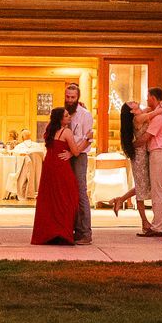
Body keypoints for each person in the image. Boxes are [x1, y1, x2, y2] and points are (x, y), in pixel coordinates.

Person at [30, 107, 81, 245]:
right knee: (69, 198)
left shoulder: (49, 131)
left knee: (50, 200)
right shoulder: (67, 132)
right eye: (66, 116)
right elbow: (76, 152)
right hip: (61, 166)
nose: (69, 117)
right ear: (60, 119)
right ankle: (63, 233)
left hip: (49, 166)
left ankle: (50, 232)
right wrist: (87, 140)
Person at [134, 86, 162, 237]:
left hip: (159, 154)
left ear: (153, 97)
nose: (146, 99)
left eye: (148, 97)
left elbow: (147, 137)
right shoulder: (160, 112)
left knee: (157, 191)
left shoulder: (159, 117)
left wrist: (132, 145)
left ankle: (157, 226)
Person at [107, 101, 155, 233]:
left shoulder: (139, 114)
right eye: (131, 103)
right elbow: (155, 112)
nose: (133, 101)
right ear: (132, 111)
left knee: (142, 185)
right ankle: (144, 222)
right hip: (140, 155)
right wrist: (161, 107)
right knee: (141, 189)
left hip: (144, 153)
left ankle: (120, 200)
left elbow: (149, 109)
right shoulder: (138, 118)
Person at [60, 82, 94, 244]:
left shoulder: (85, 114)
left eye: (73, 97)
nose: (70, 100)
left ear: (78, 97)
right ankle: (71, 229)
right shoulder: (64, 113)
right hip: (65, 156)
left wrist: (73, 152)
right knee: (68, 192)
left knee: (81, 192)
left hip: (79, 156)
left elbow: (88, 139)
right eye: (67, 97)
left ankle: (85, 232)